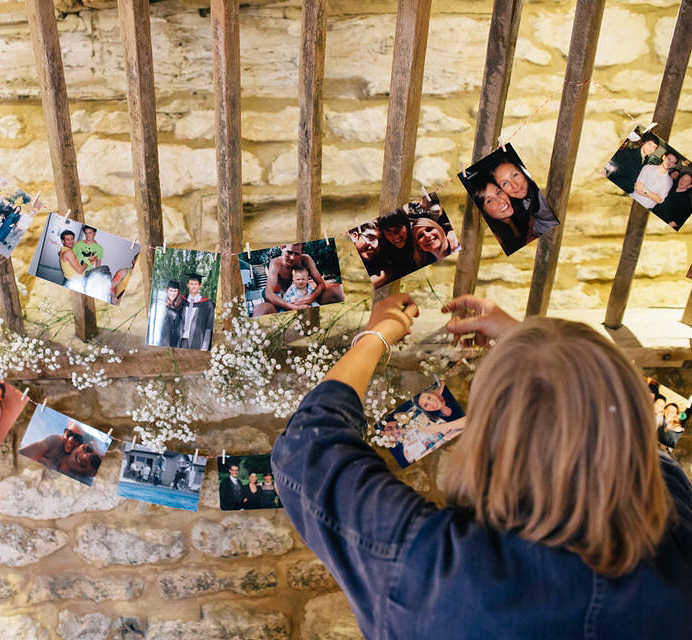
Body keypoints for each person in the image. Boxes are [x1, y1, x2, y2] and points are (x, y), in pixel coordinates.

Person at [272, 292, 692, 638]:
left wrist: (375, 335)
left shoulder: (433, 563)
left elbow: (311, 448)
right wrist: (544, 350)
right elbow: (633, 445)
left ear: (490, 437)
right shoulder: (677, 534)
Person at [253, 243, 345, 315]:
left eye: (297, 254)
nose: (292, 258)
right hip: (287, 301)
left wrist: (310, 298)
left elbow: (321, 284)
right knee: (260, 309)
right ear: (282, 248)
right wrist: (292, 307)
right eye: (289, 252)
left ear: (301, 253)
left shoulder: (306, 260)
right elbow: (269, 294)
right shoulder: (275, 264)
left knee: (340, 290)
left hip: (307, 296)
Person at [489, 157, 559, 237]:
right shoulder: (514, 206)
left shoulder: (545, 193)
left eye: (515, 175)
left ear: (523, 172)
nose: (515, 185)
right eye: (505, 183)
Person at [472, 180, 534, 255]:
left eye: (498, 192)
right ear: (483, 212)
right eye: (489, 201)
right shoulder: (495, 238)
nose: (501, 200)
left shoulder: (526, 214)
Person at [19, 420, 85, 470]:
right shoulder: (55, 440)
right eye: (69, 433)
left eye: (77, 438)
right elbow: (24, 455)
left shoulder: (79, 459)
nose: (71, 440)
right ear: (64, 433)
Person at [179, 274, 215, 350]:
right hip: (180, 341)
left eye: (196, 284)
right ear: (187, 285)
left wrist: (205, 346)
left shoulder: (207, 305)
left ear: (200, 285)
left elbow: (209, 328)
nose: (193, 286)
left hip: (197, 342)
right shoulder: (181, 301)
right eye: (191, 284)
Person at [156, 280, 183, 347]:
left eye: (175, 291)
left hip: (175, 342)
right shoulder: (161, 304)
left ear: (178, 292)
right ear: (167, 290)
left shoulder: (180, 306)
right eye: (171, 290)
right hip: (163, 340)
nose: (173, 293)